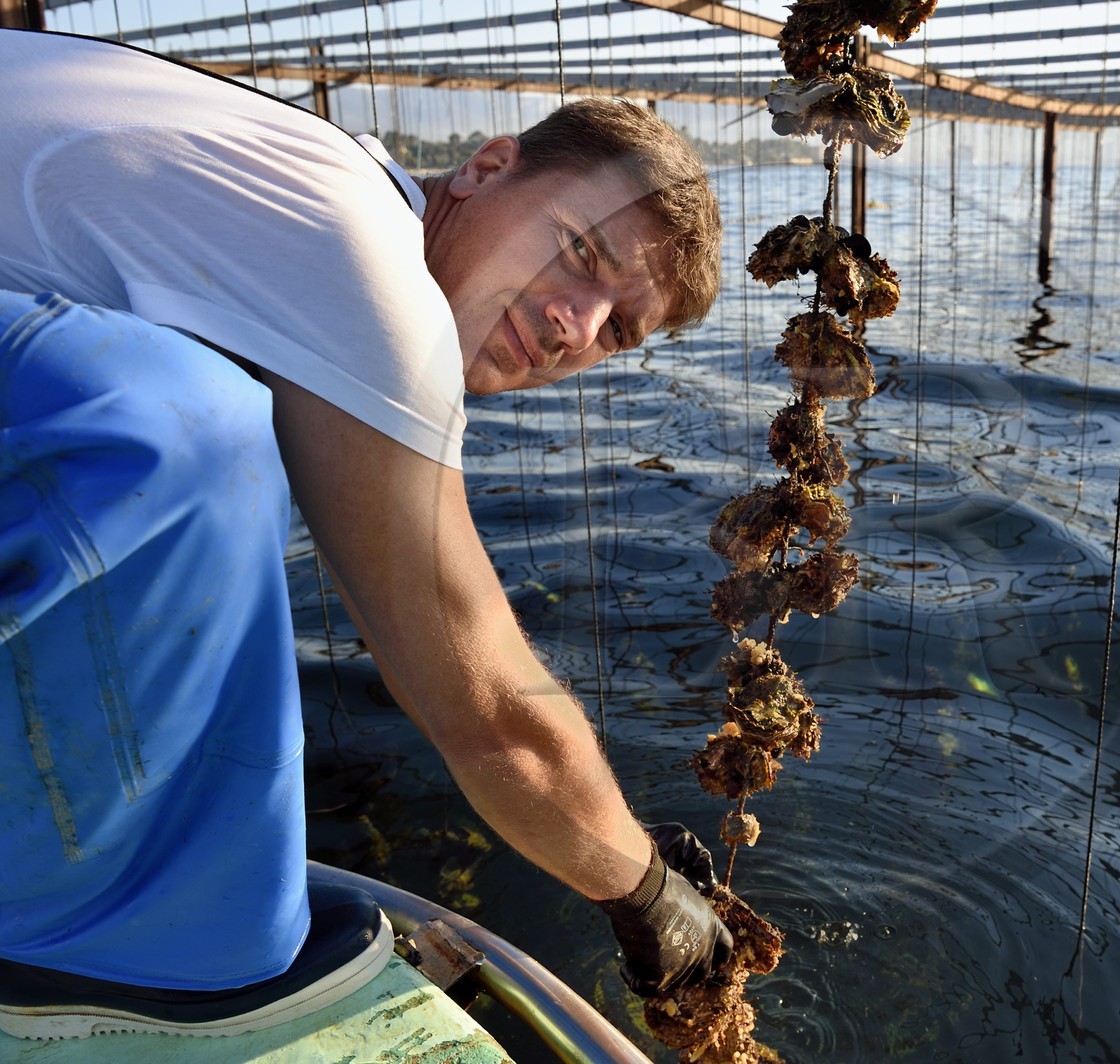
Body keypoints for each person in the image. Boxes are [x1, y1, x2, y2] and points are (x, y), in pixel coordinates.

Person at [0, 26, 732, 1040]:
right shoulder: (366, 259)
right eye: (578, 250)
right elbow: (489, 714)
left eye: (617, 328)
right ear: (485, 169)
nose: (578, 323)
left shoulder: (305, 183)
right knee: (184, 431)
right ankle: (117, 966)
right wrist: (644, 890)